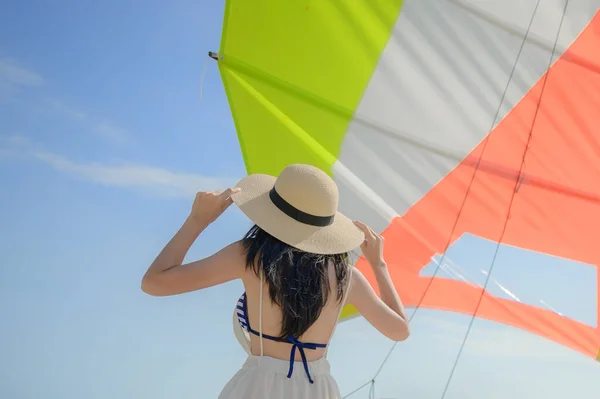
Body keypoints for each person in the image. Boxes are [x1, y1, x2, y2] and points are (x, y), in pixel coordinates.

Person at [142, 164, 410, 398]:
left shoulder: (250, 257)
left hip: (258, 387)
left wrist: (198, 220)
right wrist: (379, 264)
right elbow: (400, 331)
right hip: (318, 390)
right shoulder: (345, 276)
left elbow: (154, 282)